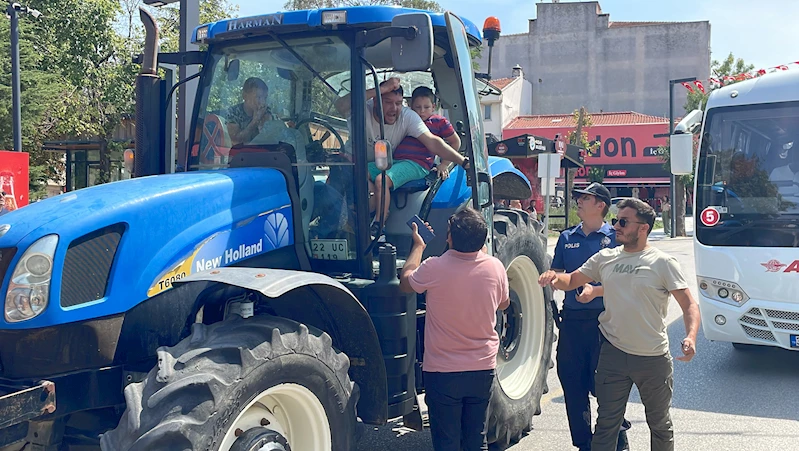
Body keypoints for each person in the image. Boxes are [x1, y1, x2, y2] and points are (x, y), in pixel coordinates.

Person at [538, 198, 701, 451]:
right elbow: (571, 280)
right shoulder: (606, 258)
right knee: (607, 426)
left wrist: (690, 337)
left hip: (652, 358)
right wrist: (554, 278)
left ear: (644, 228)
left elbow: (689, 305)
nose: (616, 226)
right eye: (615, 221)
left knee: (659, 424)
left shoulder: (663, 263)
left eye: (623, 222)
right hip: (613, 354)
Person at [399, 208, 509, 451]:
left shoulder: (433, 267)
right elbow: (504, 303)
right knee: (475, 438)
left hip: (443, 371)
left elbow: (406, 282)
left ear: (449, 238)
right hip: (482, 367)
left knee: (447, 441)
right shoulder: (496, 267)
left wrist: (418, 246)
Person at [551, 182, 630, 451]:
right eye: (579, 198)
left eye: (585, 198)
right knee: (572, 382)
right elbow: (558, 275)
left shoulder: (616, 237)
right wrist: (552, 279)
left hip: (606, 322)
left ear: (601, 205)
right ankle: (584, 444)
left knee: (607, 386)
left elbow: (629, 282)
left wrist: (596, 291)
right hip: (572, 321)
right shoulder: (566, 238)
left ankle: (617, 440)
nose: (579, 201)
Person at [334, 77, 467, 237]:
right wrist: (381, 88)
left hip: (407, 164)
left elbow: (433, 142)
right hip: (360, 164)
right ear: (375, 100)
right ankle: (350, 226)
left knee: (381, 180)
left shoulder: (409, 117)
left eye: (398, 103)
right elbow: (341, 105)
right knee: (349, 177)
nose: (394, 108)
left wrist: (462, 161)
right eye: (388, 102)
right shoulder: (363, 110)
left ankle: (379, 224)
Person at [226, 77, 272, 145]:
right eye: (258, 97)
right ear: (245, 96)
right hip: (240, 154)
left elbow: (270, 139)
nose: (262, 102)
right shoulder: (234, 112)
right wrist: (254, 122)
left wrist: (265, 121)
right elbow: (235, 142)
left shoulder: (266, 111)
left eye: (265, 98)